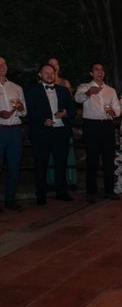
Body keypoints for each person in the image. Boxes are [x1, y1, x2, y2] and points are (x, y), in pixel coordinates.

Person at [25, 63, 76, 205]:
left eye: (52, 73)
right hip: (42, 133)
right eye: (46, 73)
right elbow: (28, 111)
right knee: (41, 164)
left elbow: (72, 110)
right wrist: (43, 120)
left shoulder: (63, 90)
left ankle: (62, 191)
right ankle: (41, 194)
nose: (49, 75)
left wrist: (65, 112)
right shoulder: (32, 90)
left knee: (61, 163)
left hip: (61, 132)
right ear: (40, 75)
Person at [74, 63, 122, 202]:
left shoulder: (111, 90)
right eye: (96, 70)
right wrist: (89, 93)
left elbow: (117, 109)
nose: (99, 72)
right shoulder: (84, 87)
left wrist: (113, 112)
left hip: (107, 125)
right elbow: (77, 98)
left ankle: (109, 190)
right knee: (92, 160)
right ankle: (91, 192)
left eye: (101, 70)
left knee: (108, 159)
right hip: (91, 126)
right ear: (91, 73)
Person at [46, 57, 77, 191]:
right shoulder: (41, 83)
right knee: (49, 156)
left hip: (63, 124)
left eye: (56, 65)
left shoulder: (65, 83)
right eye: (51, 65)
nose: (54, 67)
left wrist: (65, 112)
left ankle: (69, 181)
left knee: (66, 155)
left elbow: (72, 106)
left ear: (59, 67)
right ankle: (51, 182)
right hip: (48, 125)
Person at [0, 57, 27, 212]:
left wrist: (21, 107)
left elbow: (24, 112)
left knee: (14, 166)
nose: (3, 67)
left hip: (15, 131)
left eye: (4, 64)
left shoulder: (16, 87)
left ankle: (10, 199)